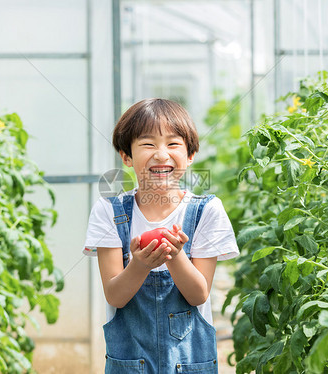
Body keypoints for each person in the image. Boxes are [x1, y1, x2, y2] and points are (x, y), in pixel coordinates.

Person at [83, 98, 239, 373]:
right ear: (126, 157)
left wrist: (176, 256)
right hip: (130, 364)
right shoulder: (109, 211)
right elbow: (115, 296)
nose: (161, 154)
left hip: (190, 362)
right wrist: (140, 264)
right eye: (147, 144)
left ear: (190, 156)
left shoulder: (206, 211)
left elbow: (198, 295)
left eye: (173, 143)